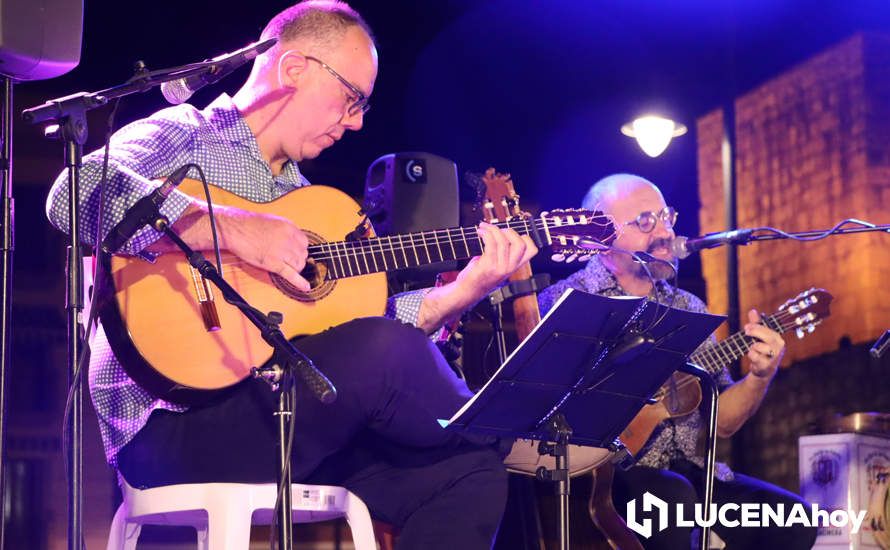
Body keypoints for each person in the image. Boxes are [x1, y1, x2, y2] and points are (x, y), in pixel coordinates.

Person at [45, 2, 538, 548]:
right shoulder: (187, 132)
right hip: (172, 428)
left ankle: (491, 440)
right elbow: (72, 193)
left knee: (468, 473)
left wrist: (464, 291)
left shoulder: (311, 204)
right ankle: (512, 433)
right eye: (352, 99)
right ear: (294, 69)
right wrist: (231, 228)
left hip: (289, 415)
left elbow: (363, 329)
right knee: (390, 354)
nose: (356, 122)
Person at [537, 174, 817, 549]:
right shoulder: (569, 299)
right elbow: (550, 401)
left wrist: (758, 376)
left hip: (687, 470)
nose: (665, 231)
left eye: (666, 216)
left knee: (792, 521)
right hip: (603, 475)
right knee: (673, 498)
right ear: (599, 240)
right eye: (644, 222)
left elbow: (723, 423)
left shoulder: (689, 308)